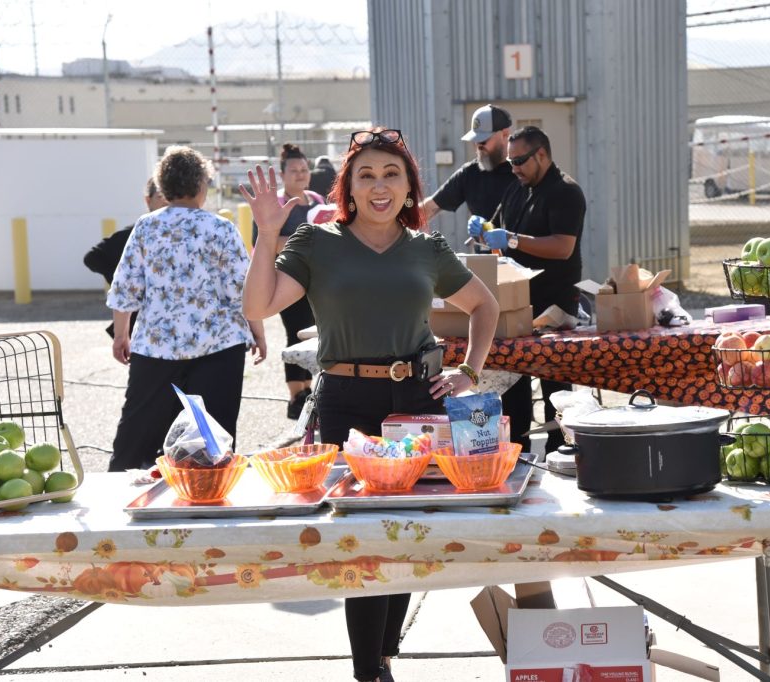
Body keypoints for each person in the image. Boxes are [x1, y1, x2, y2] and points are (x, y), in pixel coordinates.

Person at [241, 126, 499, 682]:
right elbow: (258, 306)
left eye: (391, 174)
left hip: (415, 400)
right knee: (362, 537)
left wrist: (468, 372)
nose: (379, 186)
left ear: (409, 188)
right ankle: (369, 671)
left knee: (404, 531)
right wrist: (267, 234)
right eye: (366, 175)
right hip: (346, 402)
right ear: (348, 188)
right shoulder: (316, 242)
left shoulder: (427, 248)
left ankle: (383, 655)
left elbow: (485, 306)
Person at [106, 146, 267, 472]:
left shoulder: (146, 227)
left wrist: (121, 335)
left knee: (136, 437)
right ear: (201, 185)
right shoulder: (221, 228)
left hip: (156, 347)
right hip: (219, 346)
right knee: (213, 441)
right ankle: (209, 493)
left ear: (163, 186)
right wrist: (258, 332)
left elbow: (125, 287)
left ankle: (123, 489)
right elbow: (243, 290)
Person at [470, 125, 587, 453]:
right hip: (518, 306)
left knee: (555, 390)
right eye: (510, 162)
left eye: (520, 161)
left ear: (542, 154)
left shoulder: (566, 192)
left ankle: (560, 452)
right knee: (513, 385)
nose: (514, 168)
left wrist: (513, 240)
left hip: (554, 306)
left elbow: (563, 247)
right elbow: (498, 233)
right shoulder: (516, 189)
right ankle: (517, 453)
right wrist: (483, 230)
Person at [252, 143, 327, 419]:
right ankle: (296, 396)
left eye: (304, 169)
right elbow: (264, 242)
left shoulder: (318, 200)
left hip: (317, 281)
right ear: (282, 174)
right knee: (295, 333)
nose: (300, 174)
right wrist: (304, 242)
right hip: (287, 278)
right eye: (294, 170)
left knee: (315, 334)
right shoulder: (275, 204)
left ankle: (311, 391)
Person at [83, 178, 168, 337]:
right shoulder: (134, 233)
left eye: (170, 196)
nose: (166, 201)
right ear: (148, 200)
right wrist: (120, 277)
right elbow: (92, 258)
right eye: (161, 196)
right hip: (142, 323)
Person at [420, 104, 516, 223]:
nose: (478, 146)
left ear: (505, 134)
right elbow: (429, 208)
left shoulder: (522, 170)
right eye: (475, 140)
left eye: (483, 140)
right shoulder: (470, 173)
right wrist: (401, 219)